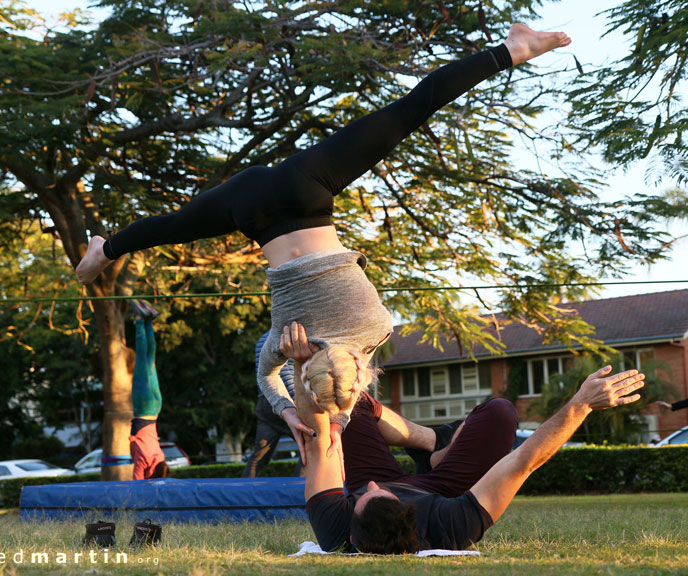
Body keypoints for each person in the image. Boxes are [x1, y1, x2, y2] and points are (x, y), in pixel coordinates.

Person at [76, 25, 572, 458]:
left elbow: (351, 388)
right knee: (175, 223)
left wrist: (316, 399)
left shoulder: (373, 330)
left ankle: (512, 49)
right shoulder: (288, 348)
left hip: (306, 190)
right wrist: (295, 403)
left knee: (409, 111)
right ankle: (104, 250)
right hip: (254, 210)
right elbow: (273, 379)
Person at [280, 322, 645, 553]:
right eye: (381, 492)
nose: (371, 484)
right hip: (441, 487)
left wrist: (302, 367)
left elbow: (317, 439)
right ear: (410, 512)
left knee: (345, 401)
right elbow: (523, 462)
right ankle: (434, 451)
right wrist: (581, 405)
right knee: (500, 410)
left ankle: (430, 443)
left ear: (353, 537)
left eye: (362, 494)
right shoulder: (450, 527)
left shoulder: (335, 530)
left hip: (416, 487)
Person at [242, 331, 305, 478]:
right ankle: (300, 490)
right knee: (310, 446)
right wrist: (295, 398)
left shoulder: (262, 338)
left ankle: (245, 492)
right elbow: (282, 371)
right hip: (284, 400)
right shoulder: (285, 337)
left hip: (264, 401)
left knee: (259, 457)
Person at [129, 299, 170, 480]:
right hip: (142, 407)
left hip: (155, 408)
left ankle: (148, 320)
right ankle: (139, 318)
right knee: (142, 359)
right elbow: (136, 483)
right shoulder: (144, 461)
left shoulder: (160, 458)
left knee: (150, 359)